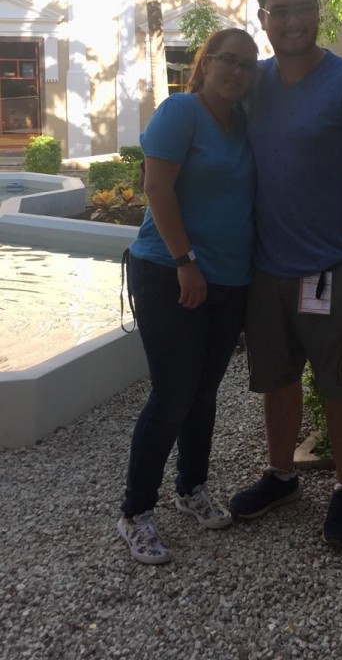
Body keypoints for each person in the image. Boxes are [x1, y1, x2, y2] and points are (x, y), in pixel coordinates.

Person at [229, 0, 342, 549]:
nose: (293, 21)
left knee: (340, 384)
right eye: (281, 11)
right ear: (263, 17)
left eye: (303, 8)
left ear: (318, 10)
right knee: (277, 381)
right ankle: (281, 476)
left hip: (329, 271)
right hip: (267, 271)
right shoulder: (253, 83)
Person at [117, 28, 258, 565]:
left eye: (247, 64)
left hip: (229, 280)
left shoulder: (243, 124)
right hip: (170, 273)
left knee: (204, 393)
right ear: (205, 63)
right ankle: (135, 511)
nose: (237, 71)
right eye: (228, 60)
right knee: (173, 395)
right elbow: (156, 187)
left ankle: (191, 486)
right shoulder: (181, 112)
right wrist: (185, 262)